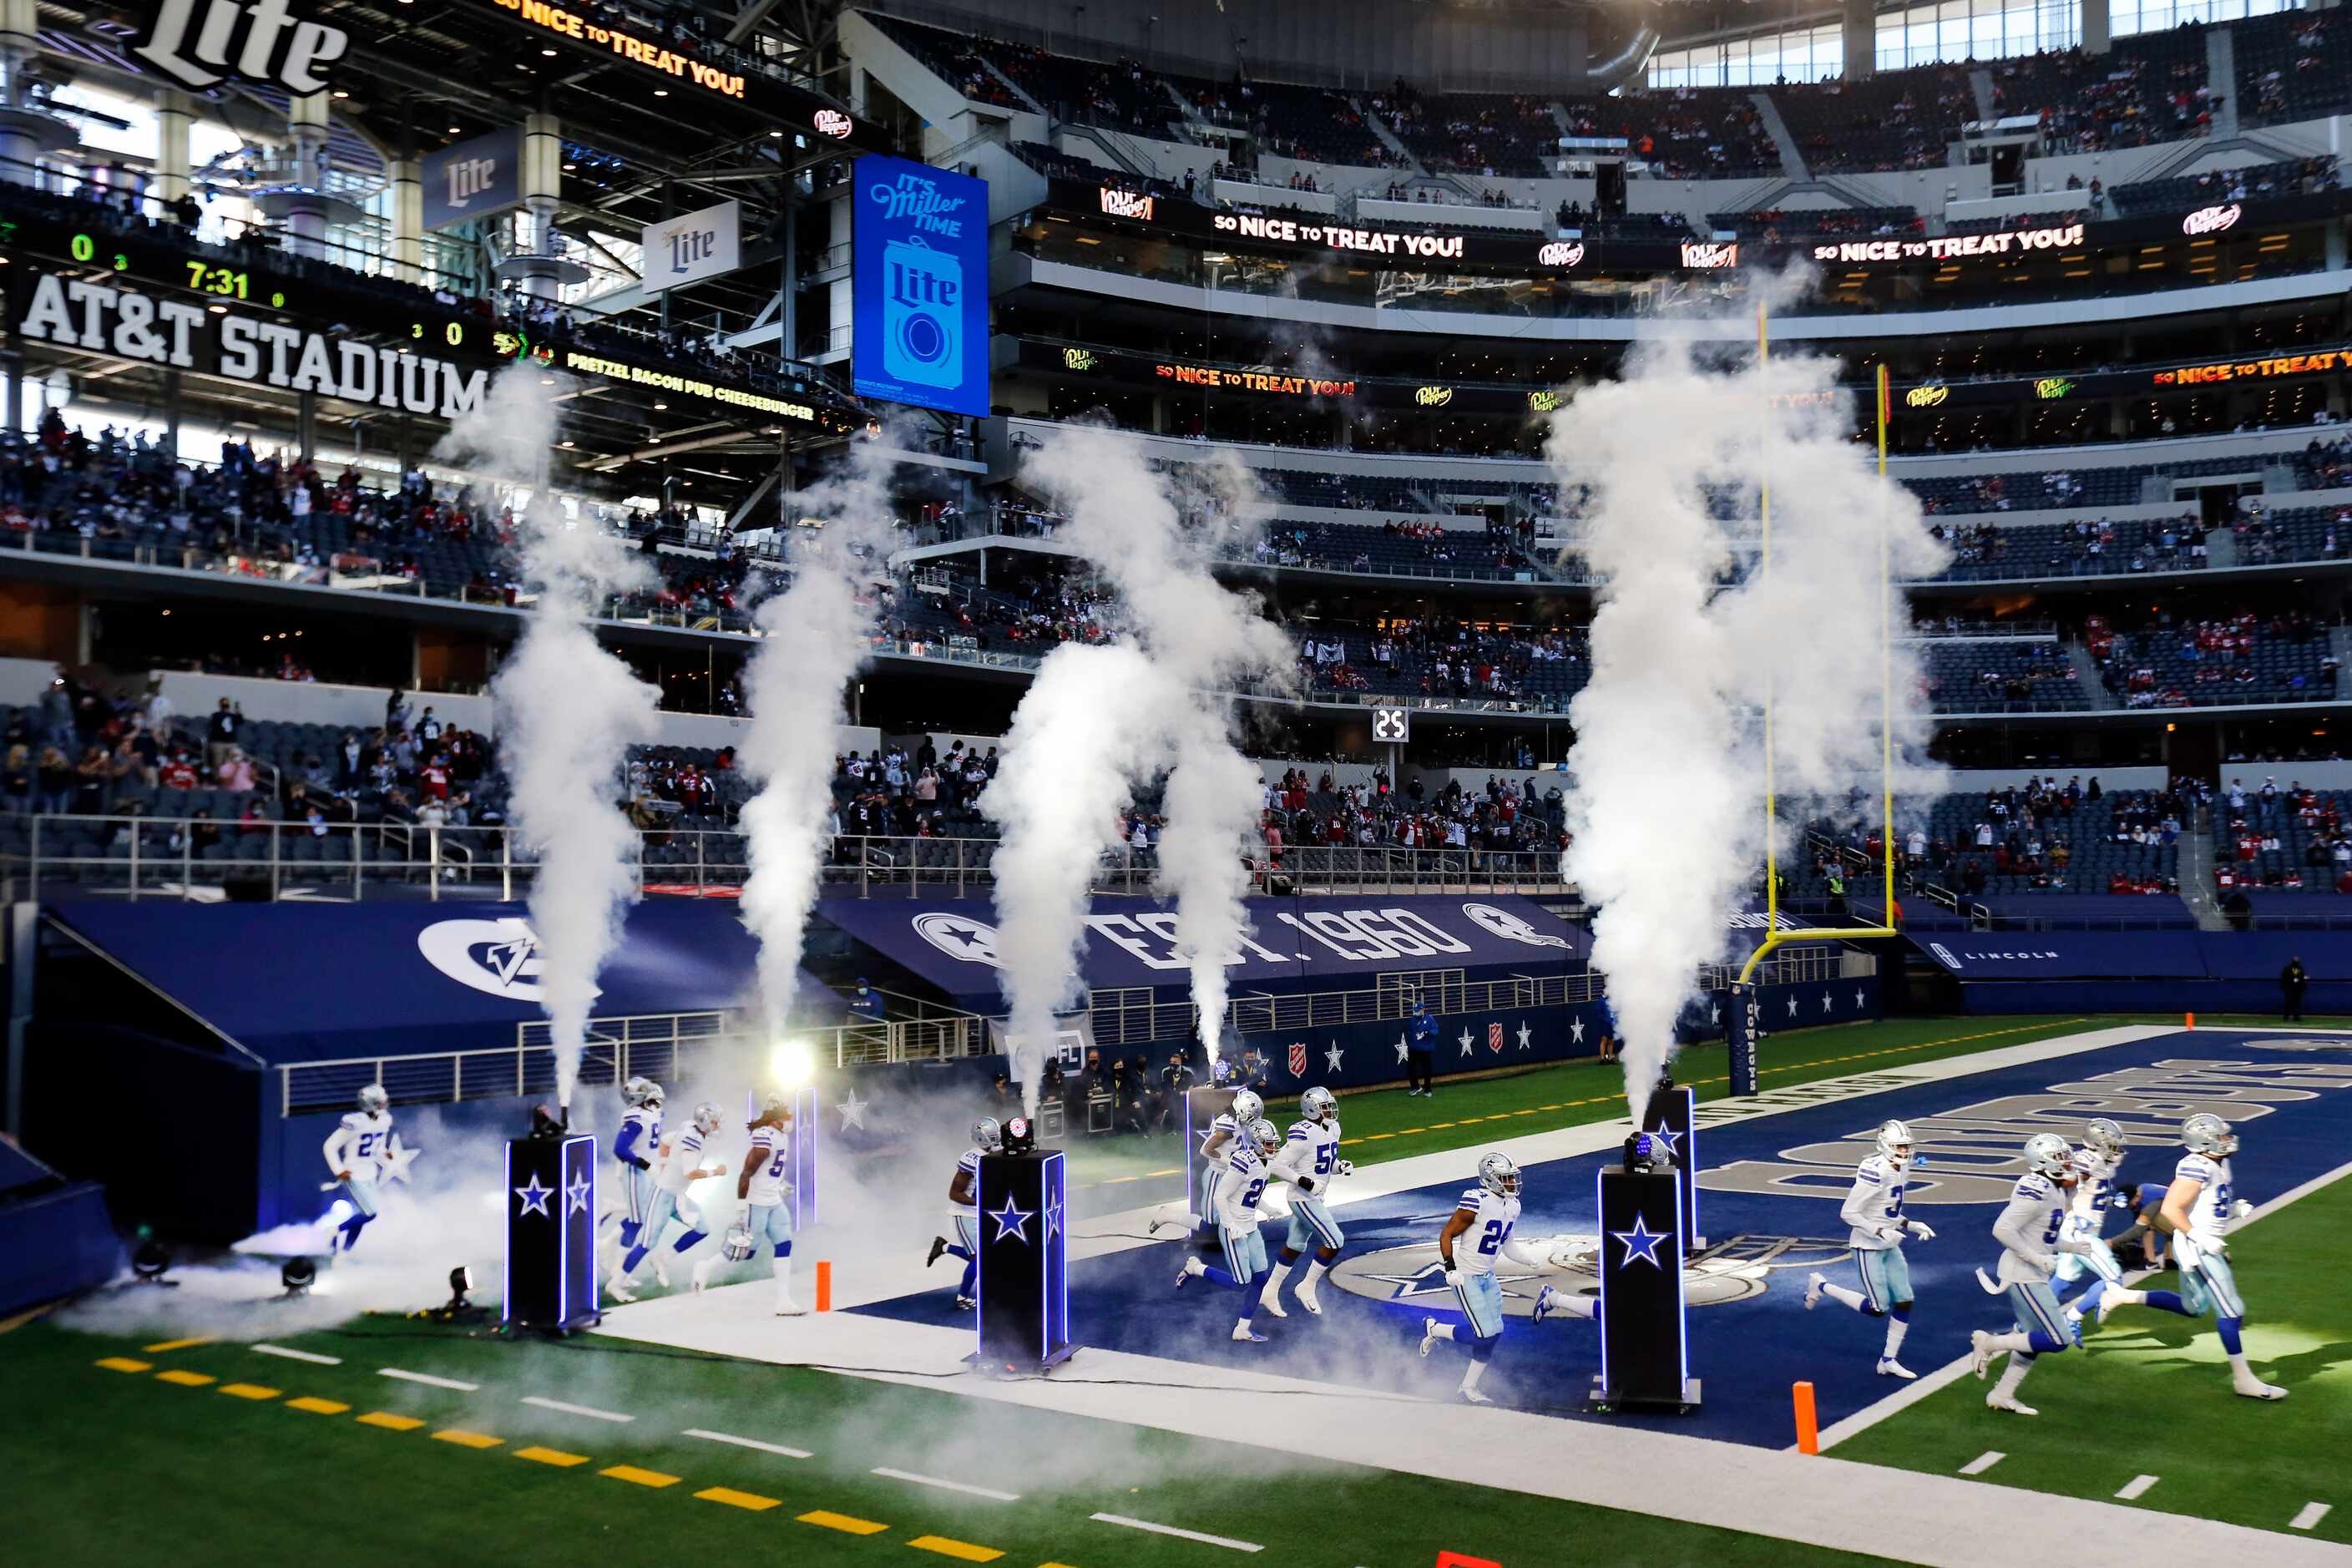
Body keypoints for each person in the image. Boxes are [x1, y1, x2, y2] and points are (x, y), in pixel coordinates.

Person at [2093, 1114, 2286, 1400]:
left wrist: (2232, 1210)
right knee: (2232, 1310)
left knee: (2192, 1307)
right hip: (2198, 1246)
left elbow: (2205, 1203)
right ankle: (2243, 1380)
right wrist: (2201, 1237)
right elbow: (2171, 1209)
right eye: (2221, 1135)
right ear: (2205, 1140)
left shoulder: (2216, 1163)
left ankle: (2122, 1296)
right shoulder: (2197, 1165)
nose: (2226, 1139)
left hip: (2198, 1242)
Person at [1419, 1153, 1575, 1404]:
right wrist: (1450, 1268)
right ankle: (1435, 1330)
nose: (1512, 1183)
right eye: (1506, 1178)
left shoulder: (1513, 1206)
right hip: (1466, 1275)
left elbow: (1507, 1243)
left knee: (1496, 1331)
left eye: (1513, 1178)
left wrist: (1526, 1259)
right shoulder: (1476, 1200)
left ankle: (1468, 1385)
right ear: (1490, 1179)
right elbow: (1446, 1234)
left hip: (1486, 1275)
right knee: (1484, 1334)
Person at [1968, 1132, 2092, 1415]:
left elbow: (2042, 1235)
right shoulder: (2036, 1187)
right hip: (2023, 1273)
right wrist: (2036, 1258)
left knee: (2033, 1339)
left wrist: (2070, 1246)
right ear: (2044, 1161)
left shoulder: (2056, 1189)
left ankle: (2002, 1394)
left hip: (2031, 1271)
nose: (2068, 1162)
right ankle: (1990, 1343)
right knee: (2060, 1339)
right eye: (2061, 1157)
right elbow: (2002, 1229)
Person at [1804, 1119, 1933, 1379]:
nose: (1905, 1151)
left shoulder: (1899, 1169)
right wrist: (1879, 1232)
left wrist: (1910, 1223)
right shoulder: (1875, 1170)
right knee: (1878, 1308)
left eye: (1907, 1146)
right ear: (1885, 1145)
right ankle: (1820, 1285)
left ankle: (1888, 1359)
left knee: (1905, 1300)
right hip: (1867, 1245)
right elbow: (1848, 1212)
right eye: (1899, 1146)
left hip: (1887, 1242)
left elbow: (1886, 1209)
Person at [1174, 1116, 1282, 1343]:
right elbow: (1220, 1196)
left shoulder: (1265, 1163)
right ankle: (1196, 1268)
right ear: (1256, 1143)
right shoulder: (1243, 1162)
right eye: (1269, 1143)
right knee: (1240, 1283)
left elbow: (1250, 1195)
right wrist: (1230, 1225)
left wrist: (1268, 1208)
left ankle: (1242, 1328)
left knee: (1261, 1277)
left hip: (1250, 1227)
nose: (1274, 1147)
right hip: (1233, 1229)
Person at [609, 1101, 727, 1301]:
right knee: (646, 1243)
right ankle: (616, 1283)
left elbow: (665, 1141)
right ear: (706, 1122)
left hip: (678, 1195)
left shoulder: (688, 1126)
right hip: (663, 1196)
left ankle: (662, 1258)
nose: (718, 1126)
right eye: (715, 1122)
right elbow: (690, 1172)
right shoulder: (693, 1138)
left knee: (702, 1229)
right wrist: (715, 1172)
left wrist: (664, 1164)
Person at [700, 1092, 804, 1313]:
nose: (789, 1121)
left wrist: (779, 1185)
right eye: (785, 1117)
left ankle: (783, 1300)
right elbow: (746, 1173)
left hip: (774, 1201)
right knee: (747, 1252)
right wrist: (741, 1204)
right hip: (757, 1203)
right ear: (774, 1119)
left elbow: (771, 1170)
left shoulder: (781, 1136)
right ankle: (706, 1267)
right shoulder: (764, 1138)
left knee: (784, 1244)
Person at [1260, 1085, 1351, 1318]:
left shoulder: (1333, 1128)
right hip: (1302, 1198)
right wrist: (1306, 1183)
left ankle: (1270, 1290)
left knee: (1295, 1245)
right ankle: (1307, 1286)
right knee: (1335, 1240)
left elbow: (1323, 1162)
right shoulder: (1304, 1133)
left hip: (1315, 1196)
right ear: (1311, 1110)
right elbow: (1278, 1165)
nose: (1330, 1110)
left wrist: (1339, 1167)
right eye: (1325, 1107)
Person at [2053, 1118, 2128, 1328]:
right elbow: (2069, 1181)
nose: (2117, 1150)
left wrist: (2110, 1200)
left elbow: (2087, 1191)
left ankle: (2028, 1323)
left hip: (2080, 1227)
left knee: (2064, 1278)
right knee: (2113, 1278)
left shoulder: (2098, 1161)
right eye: (2113, 1145)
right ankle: (2073, 1318)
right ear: (2098, 1143)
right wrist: (2063, 1177)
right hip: (2080, 1230)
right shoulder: (2087, 1158)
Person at [321, 1082, 406, 1259]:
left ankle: (344, 1253)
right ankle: (334, 1230)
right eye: (380, 1103)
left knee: (362, 1215)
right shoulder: (355, 1122)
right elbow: (330, 1146)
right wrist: (339, 1170)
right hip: (354, 1174)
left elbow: (377, 1146)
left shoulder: (384, 1120)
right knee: (370, 1213)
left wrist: (385, 1154)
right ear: (371, 1103)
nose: (384, 1105)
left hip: (370, 1173)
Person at [926, 1117, 998, 1310]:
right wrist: (981, 1202)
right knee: (981, 1259)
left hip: (984, 1213)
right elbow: (954, 1193)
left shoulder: (995, 1155)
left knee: (986, 1258)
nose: (996, 1139)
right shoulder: (971, 1159)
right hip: (966, 1215)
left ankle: (944, 1247)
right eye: (992, 1136)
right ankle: (962, 1297)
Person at [1194, 1088, 1262, 1235]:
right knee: (1211, 1222)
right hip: (1217, 1174)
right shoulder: (1227, 1125)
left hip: (1233, 1174)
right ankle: (1168, 1216)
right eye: (1251, 1116)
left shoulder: (1240, 1121)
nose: (1253, 1121)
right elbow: (1205, 1150)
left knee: (1236, 1210)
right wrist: (1228, 1160)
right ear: (1241, 1111)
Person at [610, 1077, 664, 1250]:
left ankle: (605, 1245)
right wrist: (646, 1165)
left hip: (646, 1171)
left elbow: (658, 1112)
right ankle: (619, 1271)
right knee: (637, 1220)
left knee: (645, 1214)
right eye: (644, 1089)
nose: (650, 1090)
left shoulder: (650, 1112)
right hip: (635, 1171)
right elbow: (620, 1149)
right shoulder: (636, 1119)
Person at [1405, 994, 1439, 1095]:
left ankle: (1428, 1089)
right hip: (1414, 1048)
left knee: (1426, 1069)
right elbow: (1409, 1032)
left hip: (1425, 1048)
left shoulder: (1429, 1019)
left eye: (1417, 1011)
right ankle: (1415, 1087)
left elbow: (1436, 1030)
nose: (1416, 1013)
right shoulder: (1412, 1020)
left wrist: (1427, 1033)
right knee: (1410, 1068)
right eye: (1415, 1011)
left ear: (1423, 1010)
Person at [2280, 955, 2308, 1022]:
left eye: (2297, 961)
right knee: (2288, 1003)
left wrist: (2303, 987)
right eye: (2295, 961)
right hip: (2289, 989)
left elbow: (2302, 978)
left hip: (2298, 990)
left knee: (2297, 1003)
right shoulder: (2287, 969)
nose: (2296, 962)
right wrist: (2284, 988)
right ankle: (2286, 1017)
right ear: (2292, 961)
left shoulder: (2300, 969)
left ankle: (2296, 1017)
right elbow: (2283, 979)